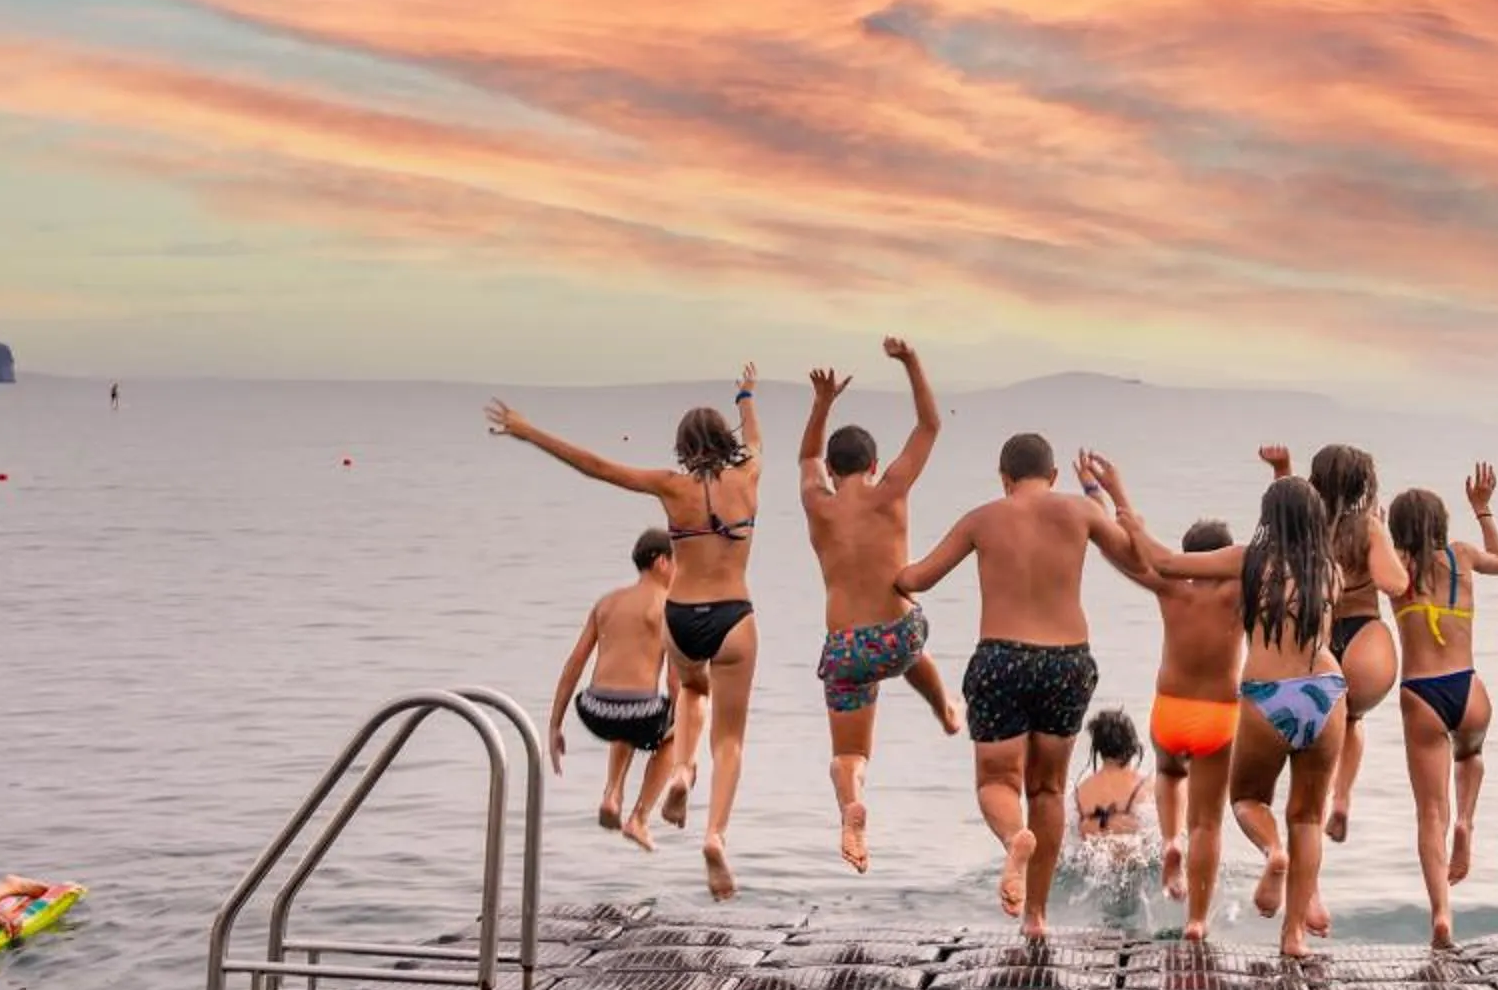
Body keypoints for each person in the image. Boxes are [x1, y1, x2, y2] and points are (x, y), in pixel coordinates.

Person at [488, 363, 763, 899]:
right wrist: (746, 395)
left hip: (682, 616)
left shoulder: (670, 486)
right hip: (734, 614)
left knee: (691, 692)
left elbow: (596, 467)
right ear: (724, 441)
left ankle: (682, 768)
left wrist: (529, 431)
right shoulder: (750, 473)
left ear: (683, 446)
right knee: (729, 740)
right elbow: (754, 435)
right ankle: (714, 835)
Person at [894, 431, 1142, 939]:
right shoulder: (1080, 511)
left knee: (995, 783)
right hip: (1067, 663)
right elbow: (1137, 559)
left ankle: (1014, 838)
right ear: (1052, 477)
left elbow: (918, 579)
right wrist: (1106, 496)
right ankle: (1036, 917)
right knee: (1047, 789)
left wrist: (878, 569)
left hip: (1001, 657)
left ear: (1004, 479)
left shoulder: (982, 517)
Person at [1123, 470, 1342, 957]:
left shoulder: (1250, 559)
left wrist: (1128, 518)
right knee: (1308, 816)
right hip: (1328, 692)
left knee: (1246, 800)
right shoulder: (1330, 567)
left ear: (1268, 519)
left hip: (1269, 693)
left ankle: (1273, 852)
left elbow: (1162, 560)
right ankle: (1294, 936)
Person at [799, 339, 963, 874]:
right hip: (898, 634)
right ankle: (945, 711)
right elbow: (930, 426)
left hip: (847, 648)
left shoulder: (816, 503)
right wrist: (912, 362)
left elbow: (805, 458)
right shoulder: (889, 489)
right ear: (872, 463)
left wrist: (822, 401)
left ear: (832, 469)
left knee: (849, 758)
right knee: (913, 639)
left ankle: (851, 809)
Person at [1094, 494, 1245, 931]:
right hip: (1218, 713)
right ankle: (1196, 920)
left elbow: (1119, 551)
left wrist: (1103, 496)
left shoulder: (1169, 584)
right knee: (1209, 825)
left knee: (1171, 774)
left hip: (1170, 710)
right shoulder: (1239, 591)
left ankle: (1168, 840)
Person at [1263, 443, 1409, 846]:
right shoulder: (1367, 527)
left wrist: (1281, 469)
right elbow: (1394, 582)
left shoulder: (1305, 523)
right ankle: (1341, 797)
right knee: (1352, 718)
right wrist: (1381, 532)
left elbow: (1283, 511)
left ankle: (1311, 810)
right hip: (1364, 635)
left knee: (1313, 740)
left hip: (1316, 641)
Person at [1387, 465, 1498, 948]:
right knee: (1470, 754)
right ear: (1441, 523)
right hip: (1470, 689)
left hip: (1423, 696)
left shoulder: (1398, 568)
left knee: (1428, 816)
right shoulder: (1462, 555)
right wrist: (1482, 509)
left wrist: (1372, 530)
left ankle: (1441, 914)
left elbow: (1359, 574)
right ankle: (1468, 820)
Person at [546, 526, 681, 850]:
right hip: (637, 710)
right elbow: (675, 681)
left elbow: (574, 664)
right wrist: (680, 727)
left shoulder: (606, 603)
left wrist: (555, 725)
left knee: (628, 724)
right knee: (672, 736)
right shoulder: (668, 607)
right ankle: (639, 818)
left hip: (594, 708)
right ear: (662, 562)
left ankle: (611, 794)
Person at [1071, 707, 1153, 844]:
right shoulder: (1143, 785)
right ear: (1133, 746)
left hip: (1090, 858)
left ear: (1097, 750)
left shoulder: (1080, 791)